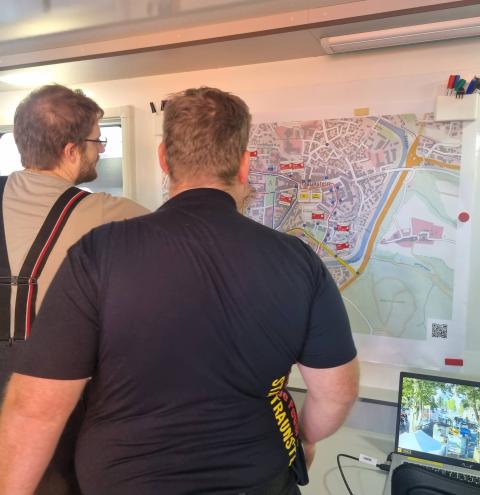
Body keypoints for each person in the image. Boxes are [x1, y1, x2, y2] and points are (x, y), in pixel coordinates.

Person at [0, 87, 358, 495]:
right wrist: (305, 438)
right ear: (244, 166)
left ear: (164, 160)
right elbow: (337, 394)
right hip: (257, 479)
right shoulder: (298, 259)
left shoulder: (98, 251)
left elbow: (35, 410)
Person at [0, 84, 149, 494]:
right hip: (60, 405)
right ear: (70, 151)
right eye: (97, 141)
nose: (100, 150)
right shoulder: (115, 216)